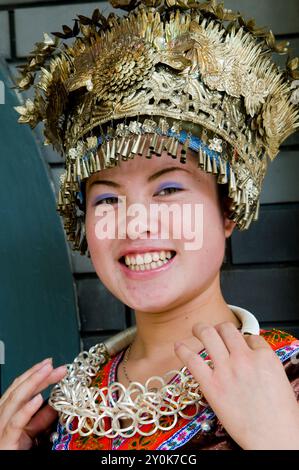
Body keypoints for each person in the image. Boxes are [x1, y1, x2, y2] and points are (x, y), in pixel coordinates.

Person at [1, 0, 299, 451]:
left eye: (168, 190)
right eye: (106, 198)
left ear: (229, 209)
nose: (134, 223)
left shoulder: (285, 379)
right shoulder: (61, 411)